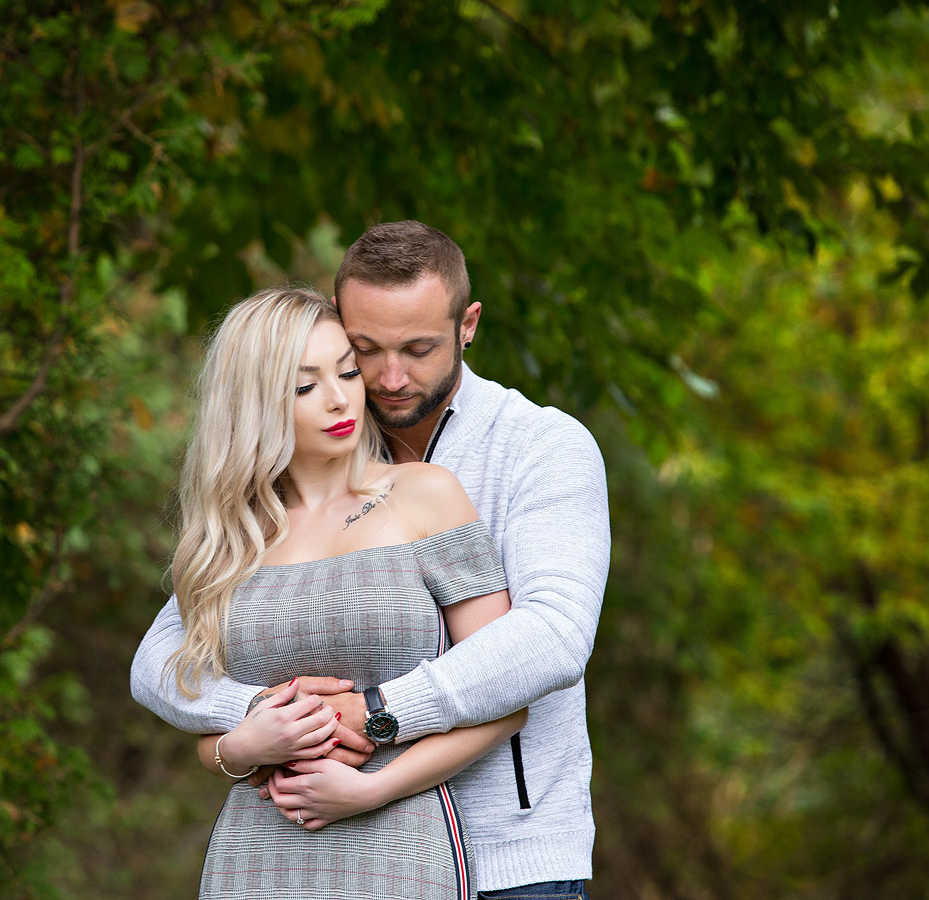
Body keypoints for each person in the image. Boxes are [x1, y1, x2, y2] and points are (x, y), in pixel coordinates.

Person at [133, 221, 610, 899]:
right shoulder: (319, 462)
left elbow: (553, 638)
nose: (388, 379)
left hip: (510, 854)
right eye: (365, 353)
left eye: (418, 349)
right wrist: (260, 714)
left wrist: (371, 713)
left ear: (467, 324)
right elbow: (163, 658)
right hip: (306, 844)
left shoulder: (538, 446)